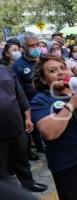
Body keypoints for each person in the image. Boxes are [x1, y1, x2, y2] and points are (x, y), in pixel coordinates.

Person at [31, 55, 77, 199]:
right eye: (53, 71)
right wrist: (72, 104)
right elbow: (50, 133)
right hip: (67, 163)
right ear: (44, 80)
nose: (61, 72)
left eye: (63, 68)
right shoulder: (41, 100)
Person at [0, 65, 47, 193]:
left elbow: (20, 94)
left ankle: (28, 183)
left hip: (16, 124)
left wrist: (27, 117)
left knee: (22, 157)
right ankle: (8, 193)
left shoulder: (5, 70)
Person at [12, 32, 44, 160]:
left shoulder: (44, 59)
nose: (36, 48)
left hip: (46, 100)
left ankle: (43, 145)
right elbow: (18, 91)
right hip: (29, 104)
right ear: (23, 48)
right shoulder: (17, 66)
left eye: (37, 44)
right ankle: (34, 149)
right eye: (32, 45)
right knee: (32, 129)